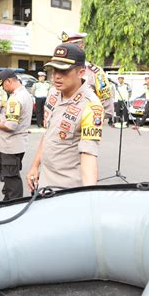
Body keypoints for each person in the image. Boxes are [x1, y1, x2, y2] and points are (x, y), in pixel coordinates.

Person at [26, 43, 104, 191]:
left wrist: (89, 195)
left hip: (68, 189)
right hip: (44, 182)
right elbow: (49, 133)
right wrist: (35, 166)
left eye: (64, 71)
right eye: (54, 70)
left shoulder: (91, 106)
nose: (56, 76)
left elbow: (88, 155)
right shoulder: (53, 94)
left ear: (81, 72)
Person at [0, 69, 33, 200]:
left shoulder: (15, 99)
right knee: (11, 177)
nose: (3, 89)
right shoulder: (25, 94)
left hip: (11, 145)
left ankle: (13, 203)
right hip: (18, 144)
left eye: (3, 85)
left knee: (12, 178)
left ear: (9, 81)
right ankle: (8, 200)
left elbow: (10, 126)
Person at [60, 31, 114, 120]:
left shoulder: (95, 72)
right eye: (64, 47)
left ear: (81, 46)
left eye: (71, 47)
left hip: (83, 127)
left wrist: (87, 120)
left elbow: (107, 109)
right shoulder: (58, 70)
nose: (67, 51)